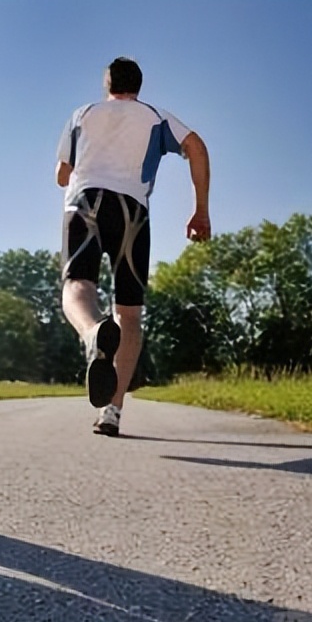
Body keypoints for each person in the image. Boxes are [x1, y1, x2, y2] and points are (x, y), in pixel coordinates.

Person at [55, 56, 211, 437]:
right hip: (133, 211)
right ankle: (112, 411)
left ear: (107, 85)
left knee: (77, 287)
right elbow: (196, 147)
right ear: (138, 87)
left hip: (86, 202)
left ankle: (92, 333)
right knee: (129, 314)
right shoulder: (156, 116)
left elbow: (62, 175)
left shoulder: (83, 113)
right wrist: (201, 210)